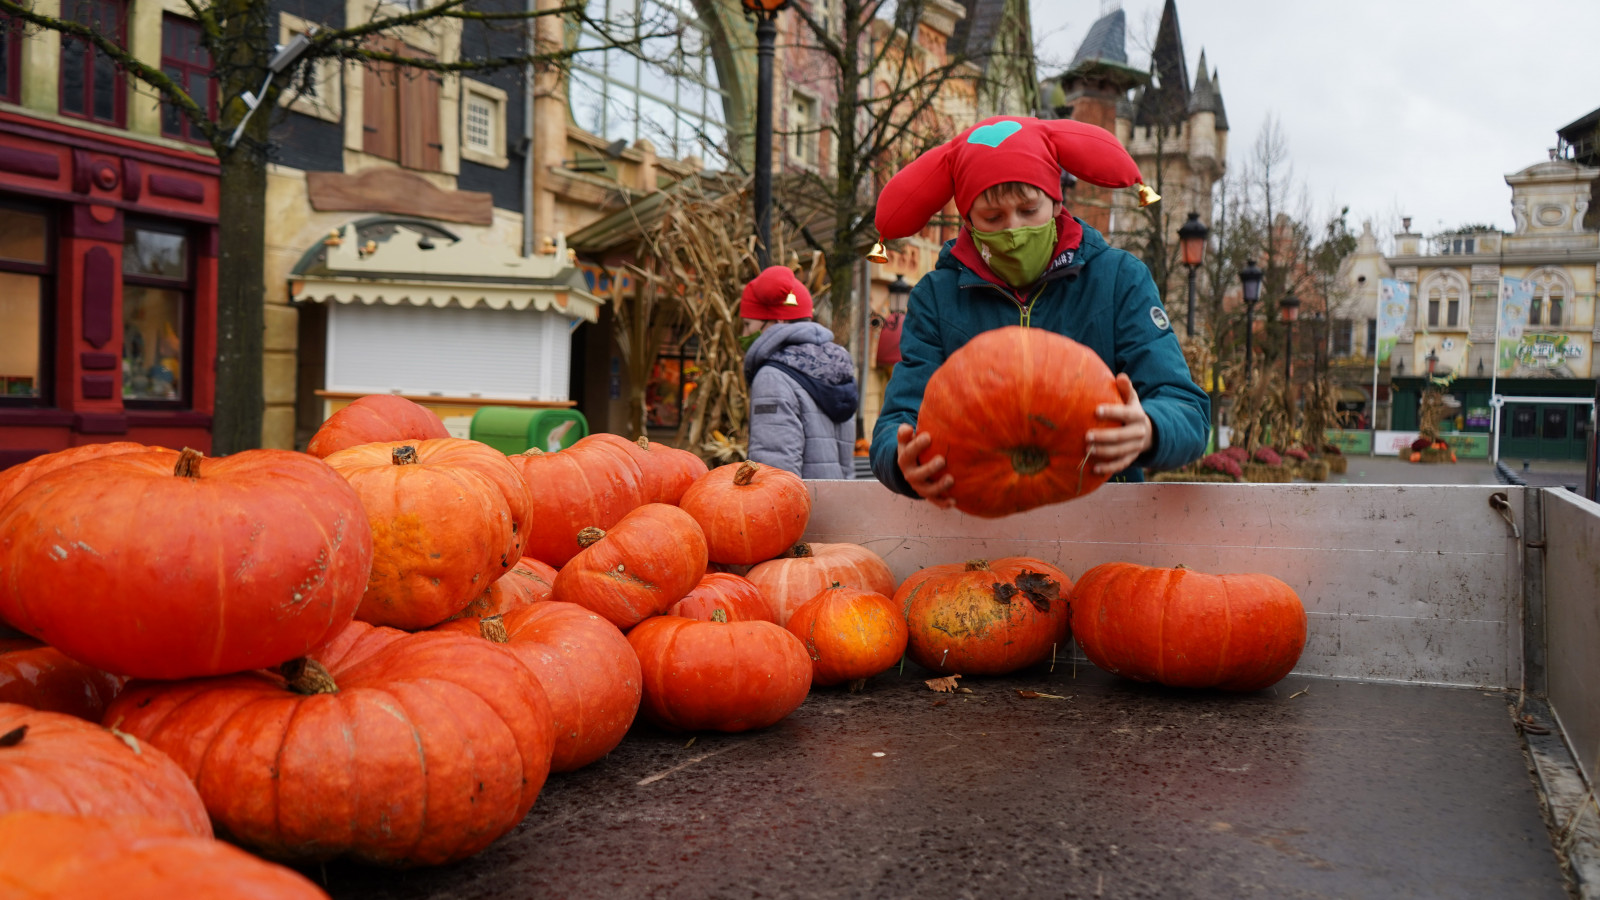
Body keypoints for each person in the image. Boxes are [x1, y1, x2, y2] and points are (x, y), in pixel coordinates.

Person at [867, 116, 1210, 506]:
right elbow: (898, 419)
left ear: (1057, 200)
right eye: (993, 219)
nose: (1014, 229)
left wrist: (1149, 428)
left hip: (1104, 521)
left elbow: (1188, 410)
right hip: (976, 528)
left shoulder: (1120, 279)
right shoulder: (935, 297)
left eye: (1029, 210)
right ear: (968, 221)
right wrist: (900, 461)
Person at [741, 265, 858, 479]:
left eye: (748, 324)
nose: (745, 333)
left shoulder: (772, 377)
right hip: (838, 505)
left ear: (777, 321)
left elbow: (774, 475)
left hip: (800, 510)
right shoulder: (839, 366)